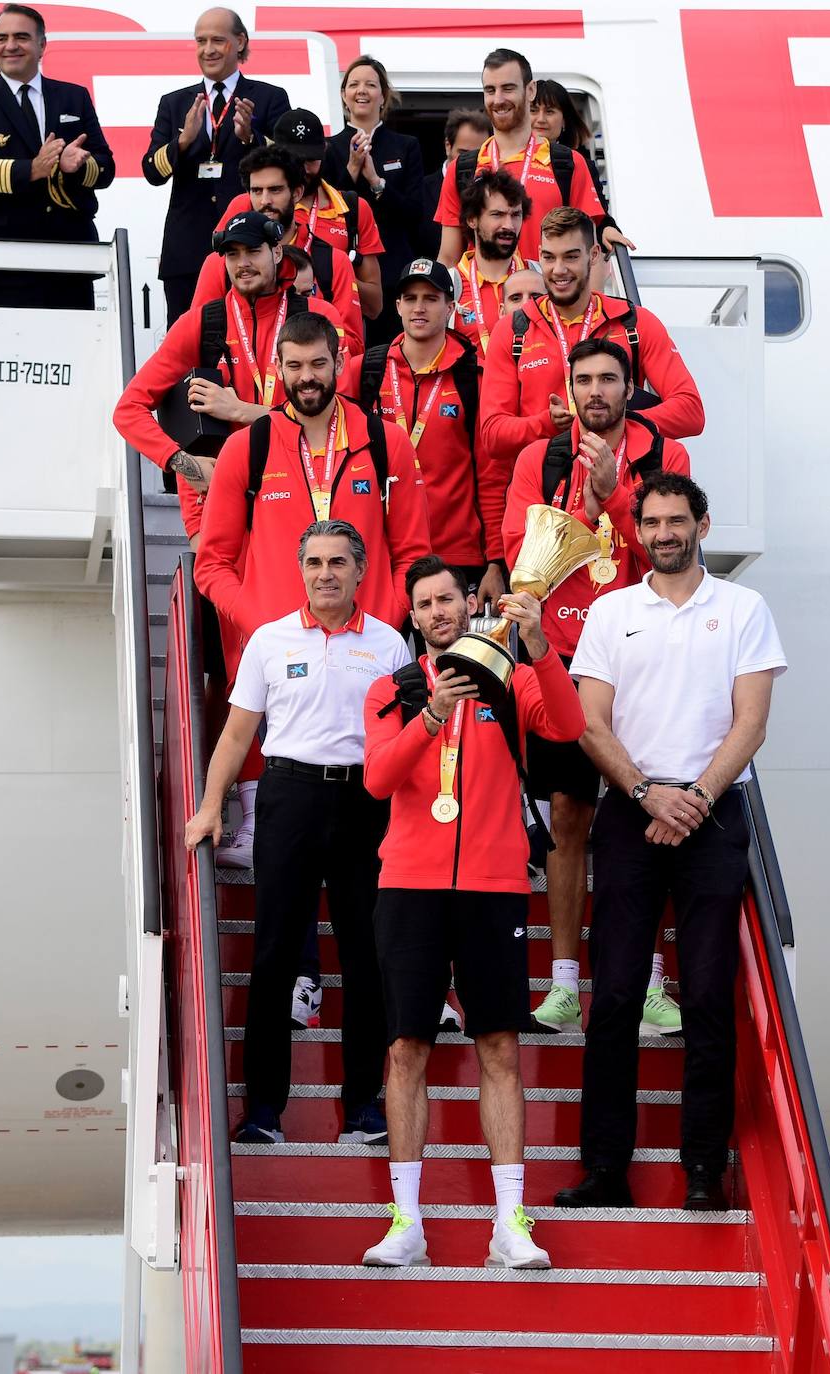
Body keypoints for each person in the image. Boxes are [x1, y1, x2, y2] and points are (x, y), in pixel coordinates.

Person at [555, 473, 786, 1210]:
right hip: (631, 813)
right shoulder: (611, 611)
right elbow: (591, 723)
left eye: (676, 520)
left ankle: (701, 1170)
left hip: (714, 815)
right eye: (651, 522)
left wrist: (696, 797)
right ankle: (604, 1170)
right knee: (617, 994)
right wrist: (650, 793)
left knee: (711, 997)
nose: (663, 533)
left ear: (703, 526)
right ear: (637, 532)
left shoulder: (745, 609)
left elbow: (749, 721)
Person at [360, 556, 586, 1266]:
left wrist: (542, 645)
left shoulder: (513, 680)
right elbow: (376, 780)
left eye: (449, 599)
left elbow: (571, 723)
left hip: (492, 885)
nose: (439, 612)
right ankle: (407, 1223)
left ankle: (509, 1222)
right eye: (425, 604)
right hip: (409, 885)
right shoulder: (391, 689)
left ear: (468, 604)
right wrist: (431, 716)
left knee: (500, 1049)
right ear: (413, 617)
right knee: (406, 1050)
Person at [186, 520, 412, 1144]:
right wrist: (210, 809)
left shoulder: (391, 646)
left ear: (361, 570)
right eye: (314, 562)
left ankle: (364, 1105)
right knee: (274, 954)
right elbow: (237, 734)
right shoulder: (269, 640)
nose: (326, 573)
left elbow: (405, 740)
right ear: (301, 570)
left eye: (338, 562)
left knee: (365, 957)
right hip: (288, 797)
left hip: (363, 802)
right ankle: (263, 1111)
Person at [502, 338, 690, 1033]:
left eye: (610, 378)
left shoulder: (665, 456)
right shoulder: (538, 457)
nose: (596, 391)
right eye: (584, 379)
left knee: (648, 821)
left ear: (630, 384)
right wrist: (585, 507)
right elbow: (523, 555)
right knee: (569, 821)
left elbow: (669, 553)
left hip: (643, 664)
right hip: (565, 663)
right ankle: (562, 986)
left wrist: (617, 492)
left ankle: (647, 983)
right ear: (570, 387)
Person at [112, 211, 348, 548]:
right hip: (217, 508)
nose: (243, 263)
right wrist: (184, 463)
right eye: (232, 254)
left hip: (307, 494)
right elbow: (128, 410)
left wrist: (241, 411)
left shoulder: (318, 317)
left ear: (277, 252)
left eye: (253, 251)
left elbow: (343, 412)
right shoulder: (200, 323)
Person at [194, 311, 429, 643]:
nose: (307, 377)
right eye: (294, 366)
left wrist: (385, 624)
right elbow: (212, 563)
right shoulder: (246, 447)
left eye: (318, 364)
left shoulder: (387, 442)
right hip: (280, 650)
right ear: (278, 365)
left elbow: (413, 554)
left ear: (340, 362)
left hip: (368, 644)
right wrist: (261, 626)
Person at [480, 207, 705, 468]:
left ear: (594, 255)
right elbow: (492, 435)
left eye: (571, 257)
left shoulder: (636, 322)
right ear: (539, 255)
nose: (559, 269)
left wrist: (617, 421)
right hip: (545, 493)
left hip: (623, 484)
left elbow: (691, 412)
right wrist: (546, 424)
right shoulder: (512, 330)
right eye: (549, 258)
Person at [0, 2, 115, 309]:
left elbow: (106, 168)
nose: (10, 46)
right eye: (1, 38)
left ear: (42, 44)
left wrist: (74, 167)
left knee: (73, 353)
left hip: (71, 257)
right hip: (3, 259)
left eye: (21, 37)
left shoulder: (73, 96)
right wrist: (32, 170)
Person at [352, 259, 497, 598]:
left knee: (450, 652)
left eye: (430, 298)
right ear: (398, 305)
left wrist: (496, 560)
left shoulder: (474, 375)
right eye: (411, 297)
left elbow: (491, 475)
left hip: (456, 555)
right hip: (382, 551)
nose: (419, 307)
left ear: (450, 307)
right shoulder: (365, 371)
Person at [142, 7, 291, 326]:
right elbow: (152, 172)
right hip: (187, 248)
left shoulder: (269, 98)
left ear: (239, 42)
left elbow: (288, 167)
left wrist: (252, 138)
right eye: (200, 41)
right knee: (187, 342)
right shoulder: (175, 102)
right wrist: (181, 143)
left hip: (249, 250)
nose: (207, 49)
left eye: (217, 40)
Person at [435, 49, 607, 269]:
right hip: (479, 301)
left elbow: (589, 257)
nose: (498, 99)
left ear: (531, 90)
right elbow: (449, 258)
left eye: (508, 88)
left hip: (545, 299)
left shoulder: (568, 164)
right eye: (490, 90)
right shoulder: (462, 168)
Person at [215, 107, 385, 322]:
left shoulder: (353, 208)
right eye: (294, 159)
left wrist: (327, 272)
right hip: (255, 332)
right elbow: (219, 276)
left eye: (311, 159)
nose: (302, 169)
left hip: (323, 335)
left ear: (324, 151)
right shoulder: (246, 204)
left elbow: (374, 306)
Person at [192, 144, 364, 357]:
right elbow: (198, 339)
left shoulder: (333, 261)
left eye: (275, 190)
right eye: (257, 191)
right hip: (237, 386)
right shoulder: (220, 262)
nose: (265, 201)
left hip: (307, 383)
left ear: (297, 192)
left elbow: (353, 347)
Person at [322, 56, 424, 345]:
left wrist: (377, 182)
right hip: (344, 274)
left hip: (394, 270)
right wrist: (353, 169)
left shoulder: (406, 146)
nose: (361, 90)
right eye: (353, 84)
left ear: (383, 95)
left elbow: (415, 212)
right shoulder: (328, 147)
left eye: (370, 84)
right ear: (344, 96)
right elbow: (327, 211)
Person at [531, 78, 635, 287]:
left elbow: (596, 215)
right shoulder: (496, 158)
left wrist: (607, 228)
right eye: (533, 110)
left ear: (564, 121)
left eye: (550, 112)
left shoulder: (577, 164)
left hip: (559, 273)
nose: (540, 119)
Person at [452, 169, 536, 358]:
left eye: (516, 215)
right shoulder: (450, 284)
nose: (509, 225)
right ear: (472, 219)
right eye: (497, 214)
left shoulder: (540, 278)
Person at [418, 107, 491, 259]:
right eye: (463, 153)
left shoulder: (496, 193)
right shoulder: (419, 189)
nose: (470, 162)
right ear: (447, 146)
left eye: (478, 154)